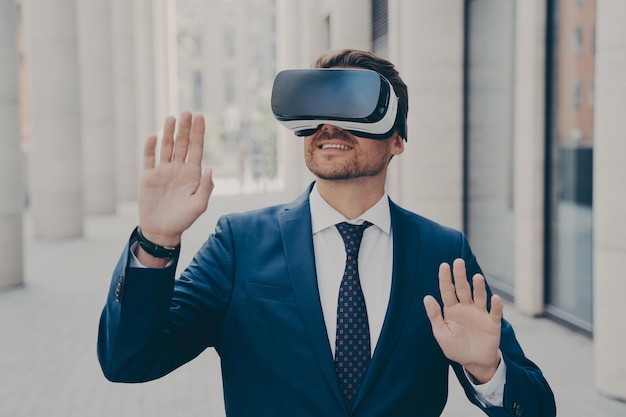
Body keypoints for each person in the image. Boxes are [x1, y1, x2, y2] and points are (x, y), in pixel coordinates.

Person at [98, 49, 556, 417]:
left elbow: (536, 409)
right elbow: (129, 361)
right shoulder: (240, 243)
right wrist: (156, 242)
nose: (330, 126)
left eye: (353, 108)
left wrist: (487, 369)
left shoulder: (442, 251)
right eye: (318, 109)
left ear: (397, 138)